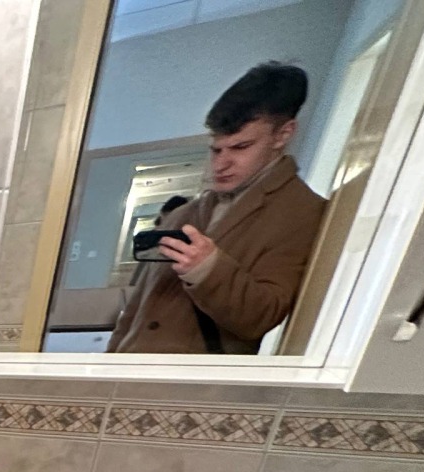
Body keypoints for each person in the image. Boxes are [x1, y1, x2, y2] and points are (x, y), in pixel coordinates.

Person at [109, 62, 326, 354]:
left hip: (195, 380)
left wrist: (207, 268)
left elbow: (262, 316)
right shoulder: (184, 213)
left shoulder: (302, 212)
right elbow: (134, 313)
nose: (220, 164)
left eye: (240, 147)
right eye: (216, 149)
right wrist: (107, 365)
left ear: (283, 134)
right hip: (129, 373)